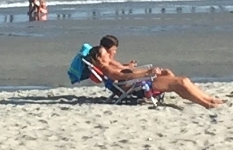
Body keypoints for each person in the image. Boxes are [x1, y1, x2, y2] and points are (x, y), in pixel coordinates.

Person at [86, 35, 220, 109]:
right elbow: (125, 76)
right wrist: (148, 73)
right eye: (106, 54)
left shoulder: (109, 65)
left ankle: (207, 98)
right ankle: (206, 104)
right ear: (99, 58)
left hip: (138, 82)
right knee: (182, 81)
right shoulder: (108, 69)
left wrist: (146, 71)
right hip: (139, 87)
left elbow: (126, 73)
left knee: (171, 75)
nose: (109, 54)